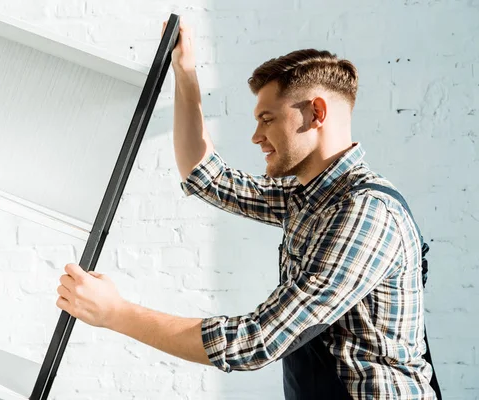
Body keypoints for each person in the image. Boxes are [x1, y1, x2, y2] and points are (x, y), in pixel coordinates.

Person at [55, 21, 437, 399]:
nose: (256, 137)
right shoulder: (308, 197)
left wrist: (115, 313)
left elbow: (256, 341)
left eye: (267, 119)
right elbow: (208, 177)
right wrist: (185, 73)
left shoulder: (365, 215)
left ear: (316, 113)